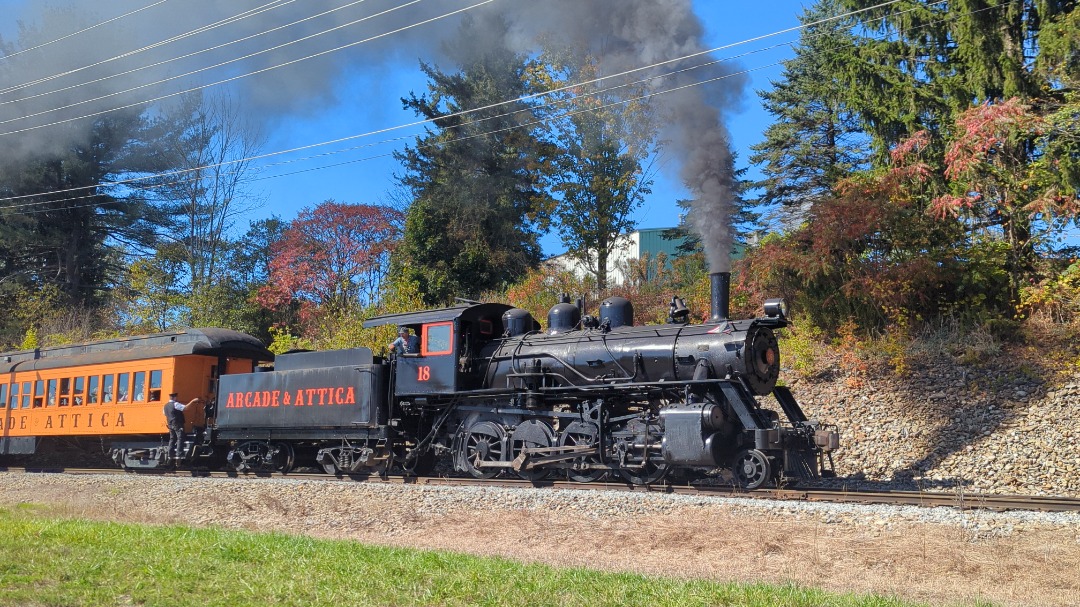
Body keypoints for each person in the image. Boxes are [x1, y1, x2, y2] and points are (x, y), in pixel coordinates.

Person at [163, 392, 200, 463]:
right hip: (177, 424)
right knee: (180, 437)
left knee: (172, 438)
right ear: (175, 398)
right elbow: (185, 408)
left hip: (170, 424)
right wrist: (193, 401)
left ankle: (170, 454)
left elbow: (165, 414)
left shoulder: (165, 406)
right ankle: (179, 454)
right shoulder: (175, 404)